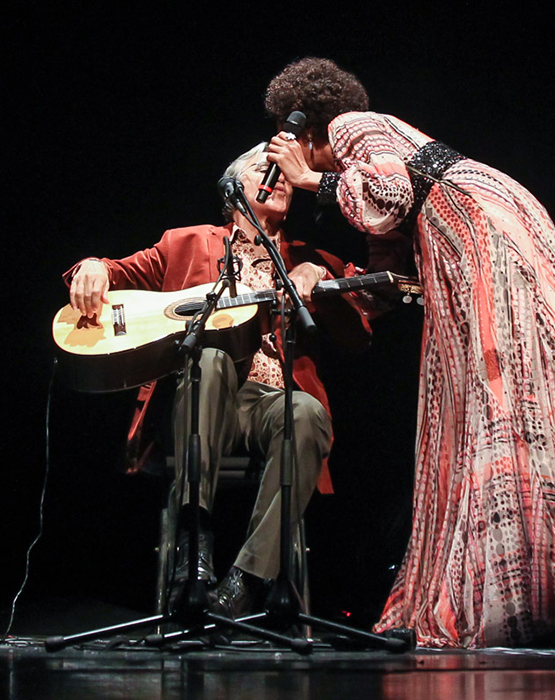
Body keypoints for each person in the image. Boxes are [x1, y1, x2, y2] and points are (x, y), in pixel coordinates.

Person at [262, 57, 555, 647]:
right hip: (492, 222)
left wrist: (311, 178)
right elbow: (391, 250)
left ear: (306, 131)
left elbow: (389, 195)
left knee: (509, 401)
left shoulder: (352, 127)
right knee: (524, 406)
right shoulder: (371, 144)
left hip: (480, 229)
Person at [64, 143, 371, 618]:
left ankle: (247, 580)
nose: (280, 178)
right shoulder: (186, 242)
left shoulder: (309, 258)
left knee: (308, 413)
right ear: (233, 190)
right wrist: (91, 268)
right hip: (201, 396)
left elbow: (358, 338)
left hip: (269, 401)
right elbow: (118, 271)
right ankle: (194, 543)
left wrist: (323, 283)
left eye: (285, 174)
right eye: (263, 170)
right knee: (209, 357)